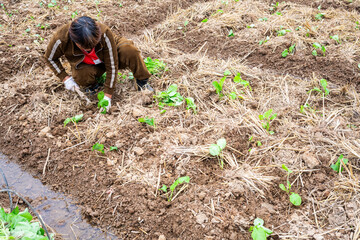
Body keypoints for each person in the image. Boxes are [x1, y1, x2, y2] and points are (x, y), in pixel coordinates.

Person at [44, 16, 153, 111]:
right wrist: (65, 78)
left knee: (129, 50)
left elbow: (112, 65)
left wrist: (108, 95)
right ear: (75, 42)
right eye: (85, 48)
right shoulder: (61, 39)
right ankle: (92, 85)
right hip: (88, 64)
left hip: (110, 56)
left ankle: (142, 80)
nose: (89, 49)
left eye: (93, 45)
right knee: (81, 75)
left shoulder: (104, 33)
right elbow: (49, 58)